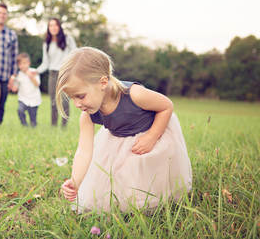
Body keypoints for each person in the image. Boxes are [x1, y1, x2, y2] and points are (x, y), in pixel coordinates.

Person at [57, 47, 192, 212]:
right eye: (72, 98)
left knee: (147, 178)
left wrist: (152, 136)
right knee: (114, 183)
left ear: (103, 82)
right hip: (118, 142)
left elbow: (166, 106)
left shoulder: (135, 94)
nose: (77, 104)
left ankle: (154, 203)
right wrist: (75, 181)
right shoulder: (87, 115)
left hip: (152, 134)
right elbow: (84, 151)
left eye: (81, 96)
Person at [35, 18, 77, 127]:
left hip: (65, 73)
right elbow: (45, 63)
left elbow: (76, 54)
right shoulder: (47, 43)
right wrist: (35, 71)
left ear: (59, 27)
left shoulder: (68, 39)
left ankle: (64, 126)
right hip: (53, 74)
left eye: (55, 25)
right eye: (50, 25)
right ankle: (53, 125)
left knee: (64, 101)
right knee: (53, 102)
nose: (53, 28)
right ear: (48, 28)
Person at [9, 53, 42, 127]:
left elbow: (37, 84)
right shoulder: (19, 75)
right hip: (23, 99)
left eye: (24, 63)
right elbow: (14, 89)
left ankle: (33, 128)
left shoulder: (34, 71)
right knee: (20, 110)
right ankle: (24, 125)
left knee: (33, 120)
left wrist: (31, 77)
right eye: (20, 64)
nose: (23, 66)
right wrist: (12, 81)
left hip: (34, 99)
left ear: (29, 63)